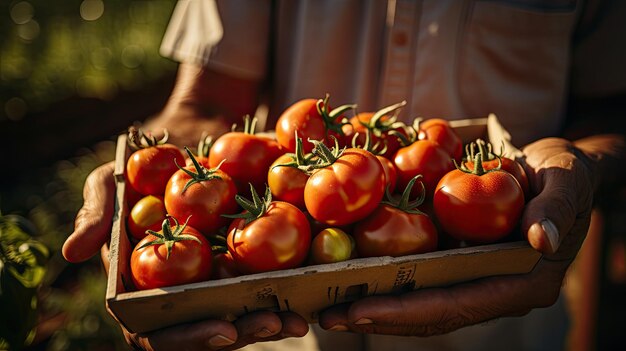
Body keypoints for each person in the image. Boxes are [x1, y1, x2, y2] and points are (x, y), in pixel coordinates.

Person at [62, 1, 626, 350]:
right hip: (272, 325)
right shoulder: (318, 179)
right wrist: (149, 169)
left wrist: (585, 165)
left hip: (498, 334)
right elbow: (206, 98)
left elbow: (611, 108)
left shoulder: (383, 176)